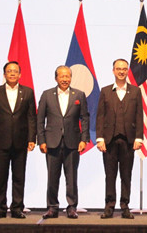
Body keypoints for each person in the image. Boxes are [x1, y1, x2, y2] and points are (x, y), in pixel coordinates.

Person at [37, 65, 90, 219]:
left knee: (72, 178)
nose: (65, 79)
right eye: (62, 76)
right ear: (56, 78)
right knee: (52, 177)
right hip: (51, 142)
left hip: (72, 142)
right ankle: (52, 207)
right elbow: (40, 120)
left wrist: (84, 139)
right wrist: (41, 140)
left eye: (68, 76)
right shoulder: (47, 95)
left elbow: (85, 118)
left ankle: (72, 207)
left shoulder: (79, 95)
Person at [0, 61, 36, 219]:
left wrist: (32, 138)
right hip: (0, 140)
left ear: (20, 74)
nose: (12, 73)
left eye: (15, 71)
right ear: (4, 74)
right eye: (9, 71)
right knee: (1, 177)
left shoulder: (28, 92)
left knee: (19, 177)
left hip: (21, 141)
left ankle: (17, 208)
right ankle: (0, 208)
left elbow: (31, 117)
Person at [96, 58, 143, 219]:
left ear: (127, 71)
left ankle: (125, 206)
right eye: (118, 69)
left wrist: (139, 138)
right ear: (113, 71)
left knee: (126, 175)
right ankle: (109, 206)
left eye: (124, 69)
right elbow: (100, 116)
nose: (121, 71)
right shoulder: (105, 91)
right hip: (109, 141)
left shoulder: (135, 91)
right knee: (110, 175)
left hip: (129, 141)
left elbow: (139, 115)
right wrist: (100, 138)